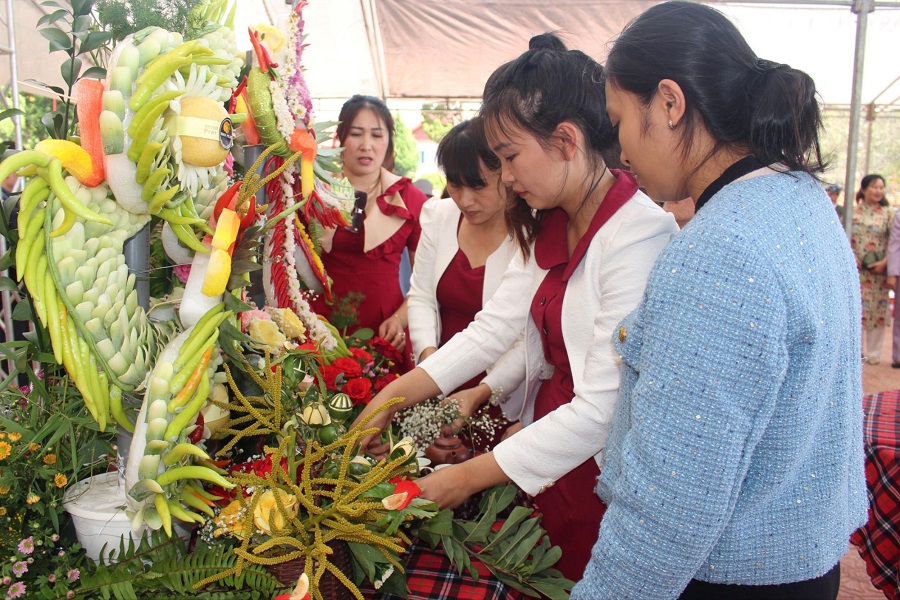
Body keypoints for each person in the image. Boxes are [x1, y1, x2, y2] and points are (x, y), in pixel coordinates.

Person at [354, 33, 678, 579]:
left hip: (593, 467)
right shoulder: (552, 221)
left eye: (510, 156)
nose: (505, 176)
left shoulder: (638, 236)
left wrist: (465, 478)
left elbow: (600, 410)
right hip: (539, 444)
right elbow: (491, 330)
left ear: (566, 141)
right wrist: (394, 395)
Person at [574, 3, 866, 598]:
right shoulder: (800, 196)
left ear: (670, 103)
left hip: (729, 575)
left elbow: (670, 501)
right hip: (803, 558)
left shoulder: (719, 252)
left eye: (621, 119)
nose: (621, 149)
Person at [405, 117, 523, 450]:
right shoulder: (440, 217)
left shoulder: (528, 237)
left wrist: (482, 391)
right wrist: (430, 364)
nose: (465, 200)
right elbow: (422, 297)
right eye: (455, 186)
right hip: (436, 373)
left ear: (507, 173)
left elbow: (526, 340)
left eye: (478, 185)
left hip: (499, 389)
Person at [311, 95, 428, 371]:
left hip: (387, 329)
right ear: (341, 138)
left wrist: (400, 319)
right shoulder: (314, 193)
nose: (366, 146)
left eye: (377, 135)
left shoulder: (411, 199)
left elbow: (425, 279)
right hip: (321, 325)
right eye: (355, 134)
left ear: (389, 140)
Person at [851, 173, 892, 365]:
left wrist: (885, 261)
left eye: (881, 187)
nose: (878, 191)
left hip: (879, 271)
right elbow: (845, 236)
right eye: (874, 187)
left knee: (877, 309)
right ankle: (857, 351)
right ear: (864, 189)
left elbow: (895, 241)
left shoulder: (888, 213)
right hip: (857, 270)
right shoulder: (854, 213)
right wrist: (852, 257)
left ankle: (874, 353)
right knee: (858, 308)